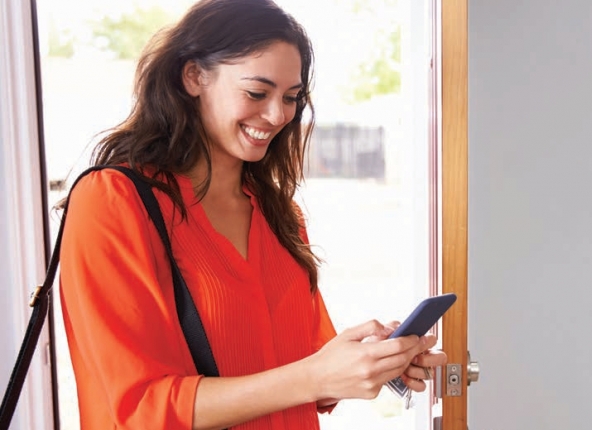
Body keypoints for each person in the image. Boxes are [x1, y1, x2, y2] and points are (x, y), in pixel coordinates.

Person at [57, 0, 446, 428]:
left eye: (291, 98)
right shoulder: (114, 202)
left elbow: (298, 371)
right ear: (194, 77)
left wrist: (374, 362)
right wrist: (315, 376)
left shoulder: (280, 214)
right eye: (257, 93)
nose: (278, 115)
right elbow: (137, 407)